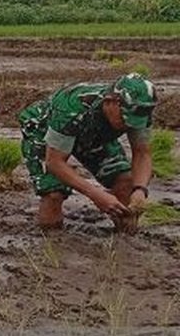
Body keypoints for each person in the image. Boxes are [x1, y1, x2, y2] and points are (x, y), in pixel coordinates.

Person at [18, 73, 158, 233]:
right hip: (44, 127)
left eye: (134, 121)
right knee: (54, 192)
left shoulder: (139, 111)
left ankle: (125, 241)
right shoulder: (72, 107)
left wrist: (140, 190)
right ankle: (51, 244)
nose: (128, 125)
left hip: (92, 135)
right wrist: (95, 194)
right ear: (110, 102)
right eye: (125, 118)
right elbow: (54, 162)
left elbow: (142, 153)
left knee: (125, 182)